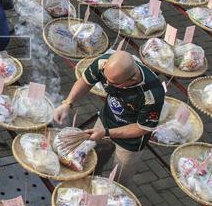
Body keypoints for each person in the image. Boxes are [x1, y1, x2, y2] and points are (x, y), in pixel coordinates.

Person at [53, 50, 166, 185]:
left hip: (131, 140)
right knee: (90, 161)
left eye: (114, 83)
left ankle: (111, 201)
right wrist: (68, 103)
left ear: (132, 80)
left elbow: (141, 128)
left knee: (119, 180)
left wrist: (106, 133)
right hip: (106, 121)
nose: (106, 83)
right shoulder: (103, 64)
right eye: (106, 79)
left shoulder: (152, 94)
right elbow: (86, 81)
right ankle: (87, 186)